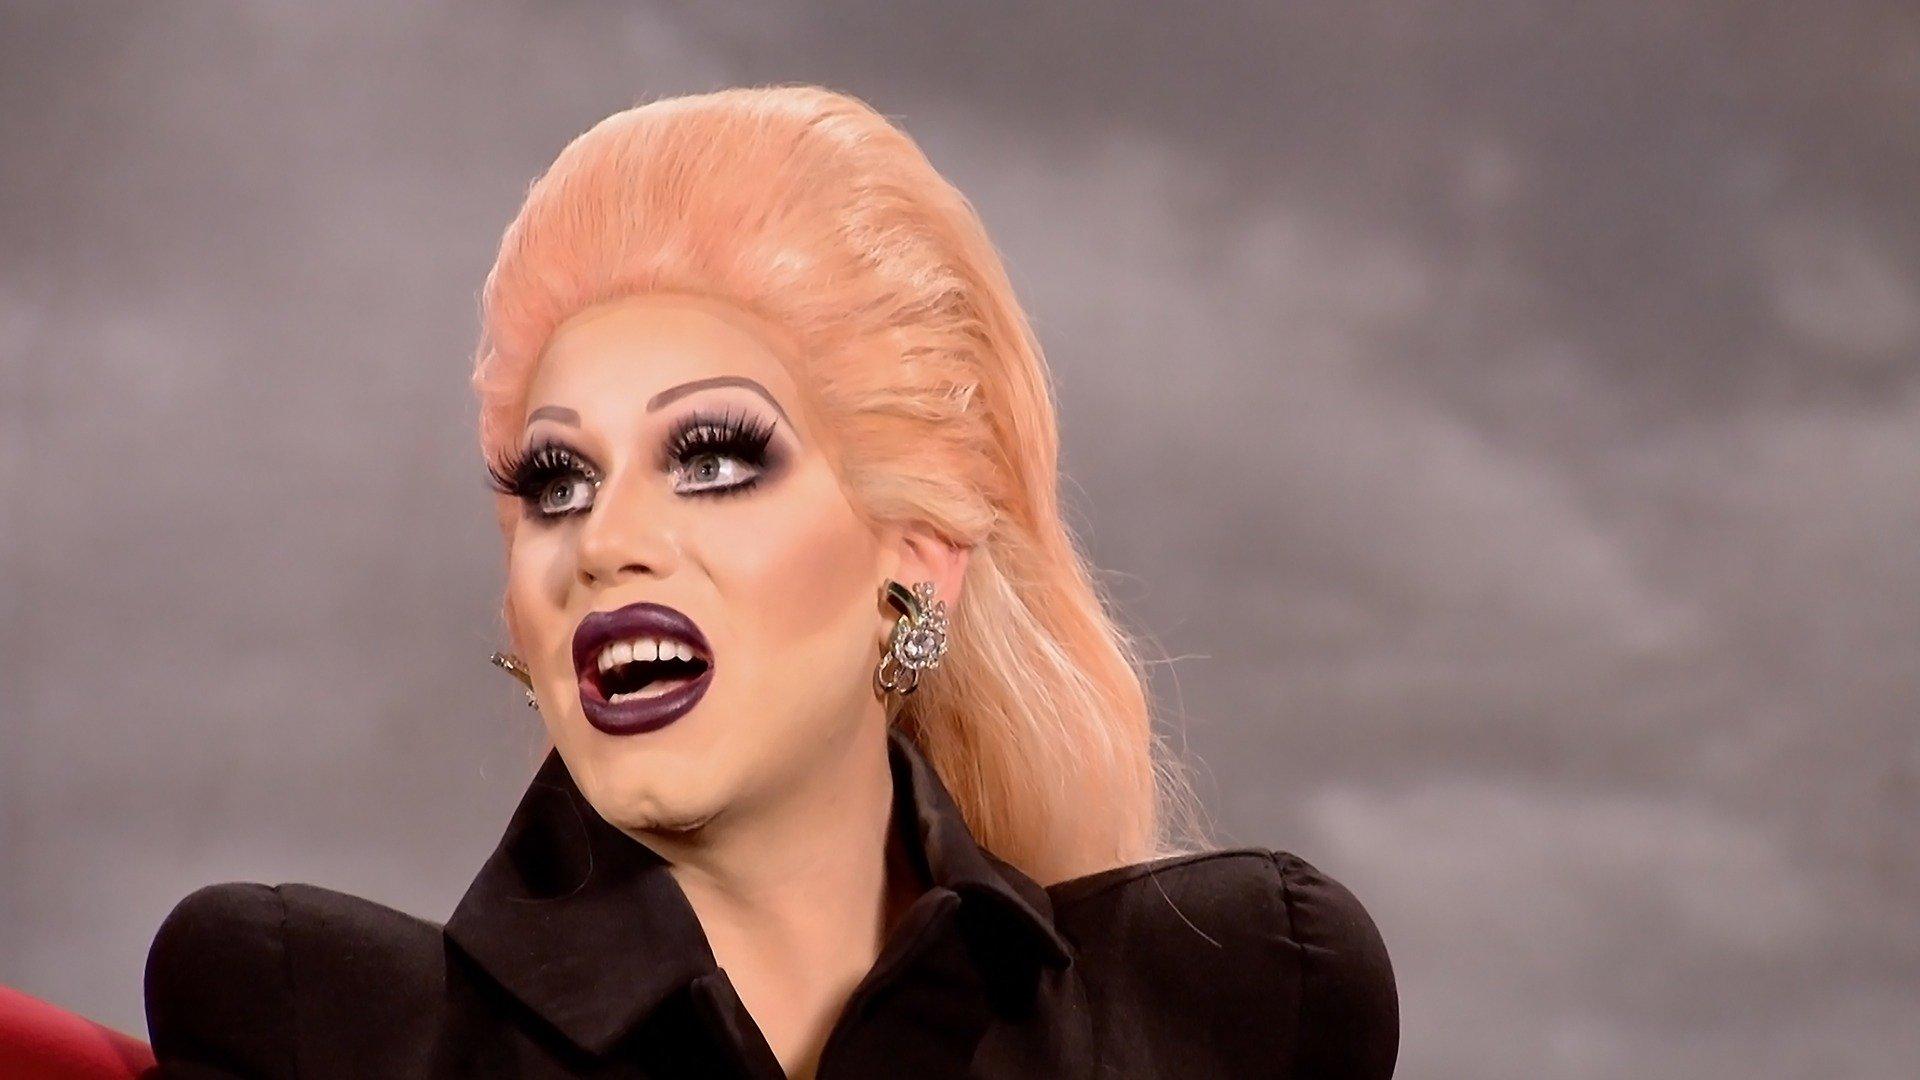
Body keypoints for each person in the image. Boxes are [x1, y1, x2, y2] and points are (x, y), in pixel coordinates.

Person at [142, 84, 1397, 1079]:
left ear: (917, 557)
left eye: (712, 459)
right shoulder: (320, 1026)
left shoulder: (1232, 996)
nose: (604, 540)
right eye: (557, 481)